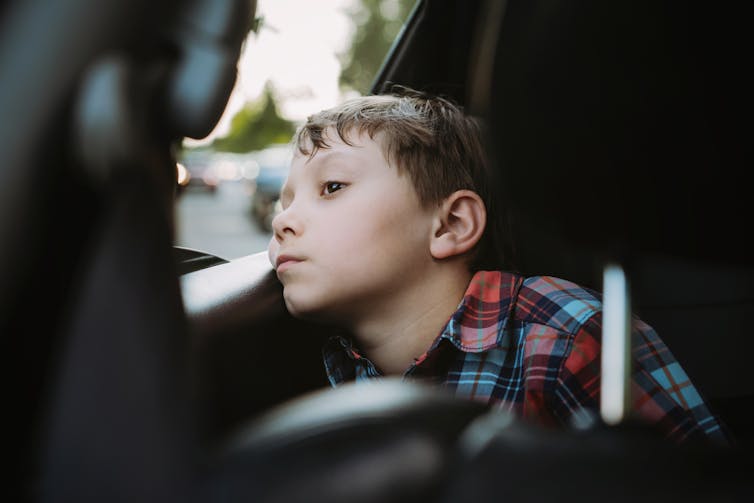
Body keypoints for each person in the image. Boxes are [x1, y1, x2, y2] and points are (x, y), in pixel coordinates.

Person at [267, 86, 728, 445]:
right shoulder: (340, 364)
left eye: (331, 187)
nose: (283, 219)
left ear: (450, 225)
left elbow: (698, 480)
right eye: (284, 201)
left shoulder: (569, 337)